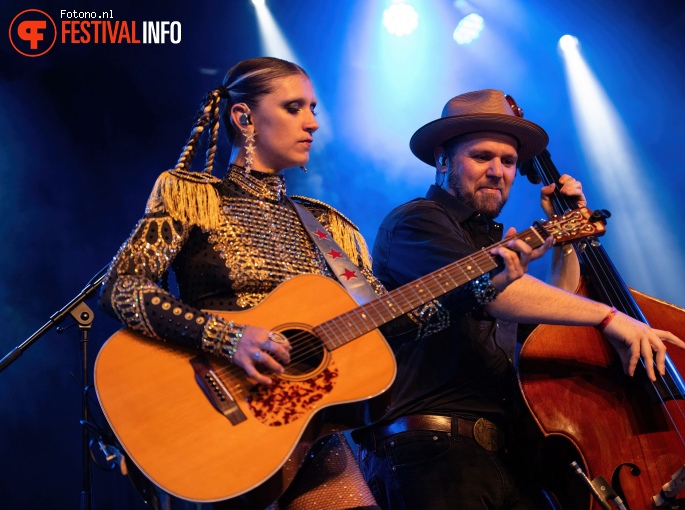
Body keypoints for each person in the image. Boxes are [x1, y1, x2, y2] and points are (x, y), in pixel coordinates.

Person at [98, 60, 542, 510]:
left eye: (312, 107)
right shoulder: (191, 194)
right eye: (294, 108)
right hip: (216, 419)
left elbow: (387, 321)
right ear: (244, 118)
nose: (312, 122)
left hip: (307, 427)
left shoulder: (326, 225)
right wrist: (229, 338)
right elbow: (121, 288)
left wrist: (482, 287)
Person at [352, 89, 685, 510]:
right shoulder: (417, 221)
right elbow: (495, 294)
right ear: (442, 159)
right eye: (482, 157)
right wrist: (610, 317)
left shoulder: (496, 242)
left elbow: (549, 322)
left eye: (509, 161)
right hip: (432, 450)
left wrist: (565, 238)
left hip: (506, 454)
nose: (498, 171)